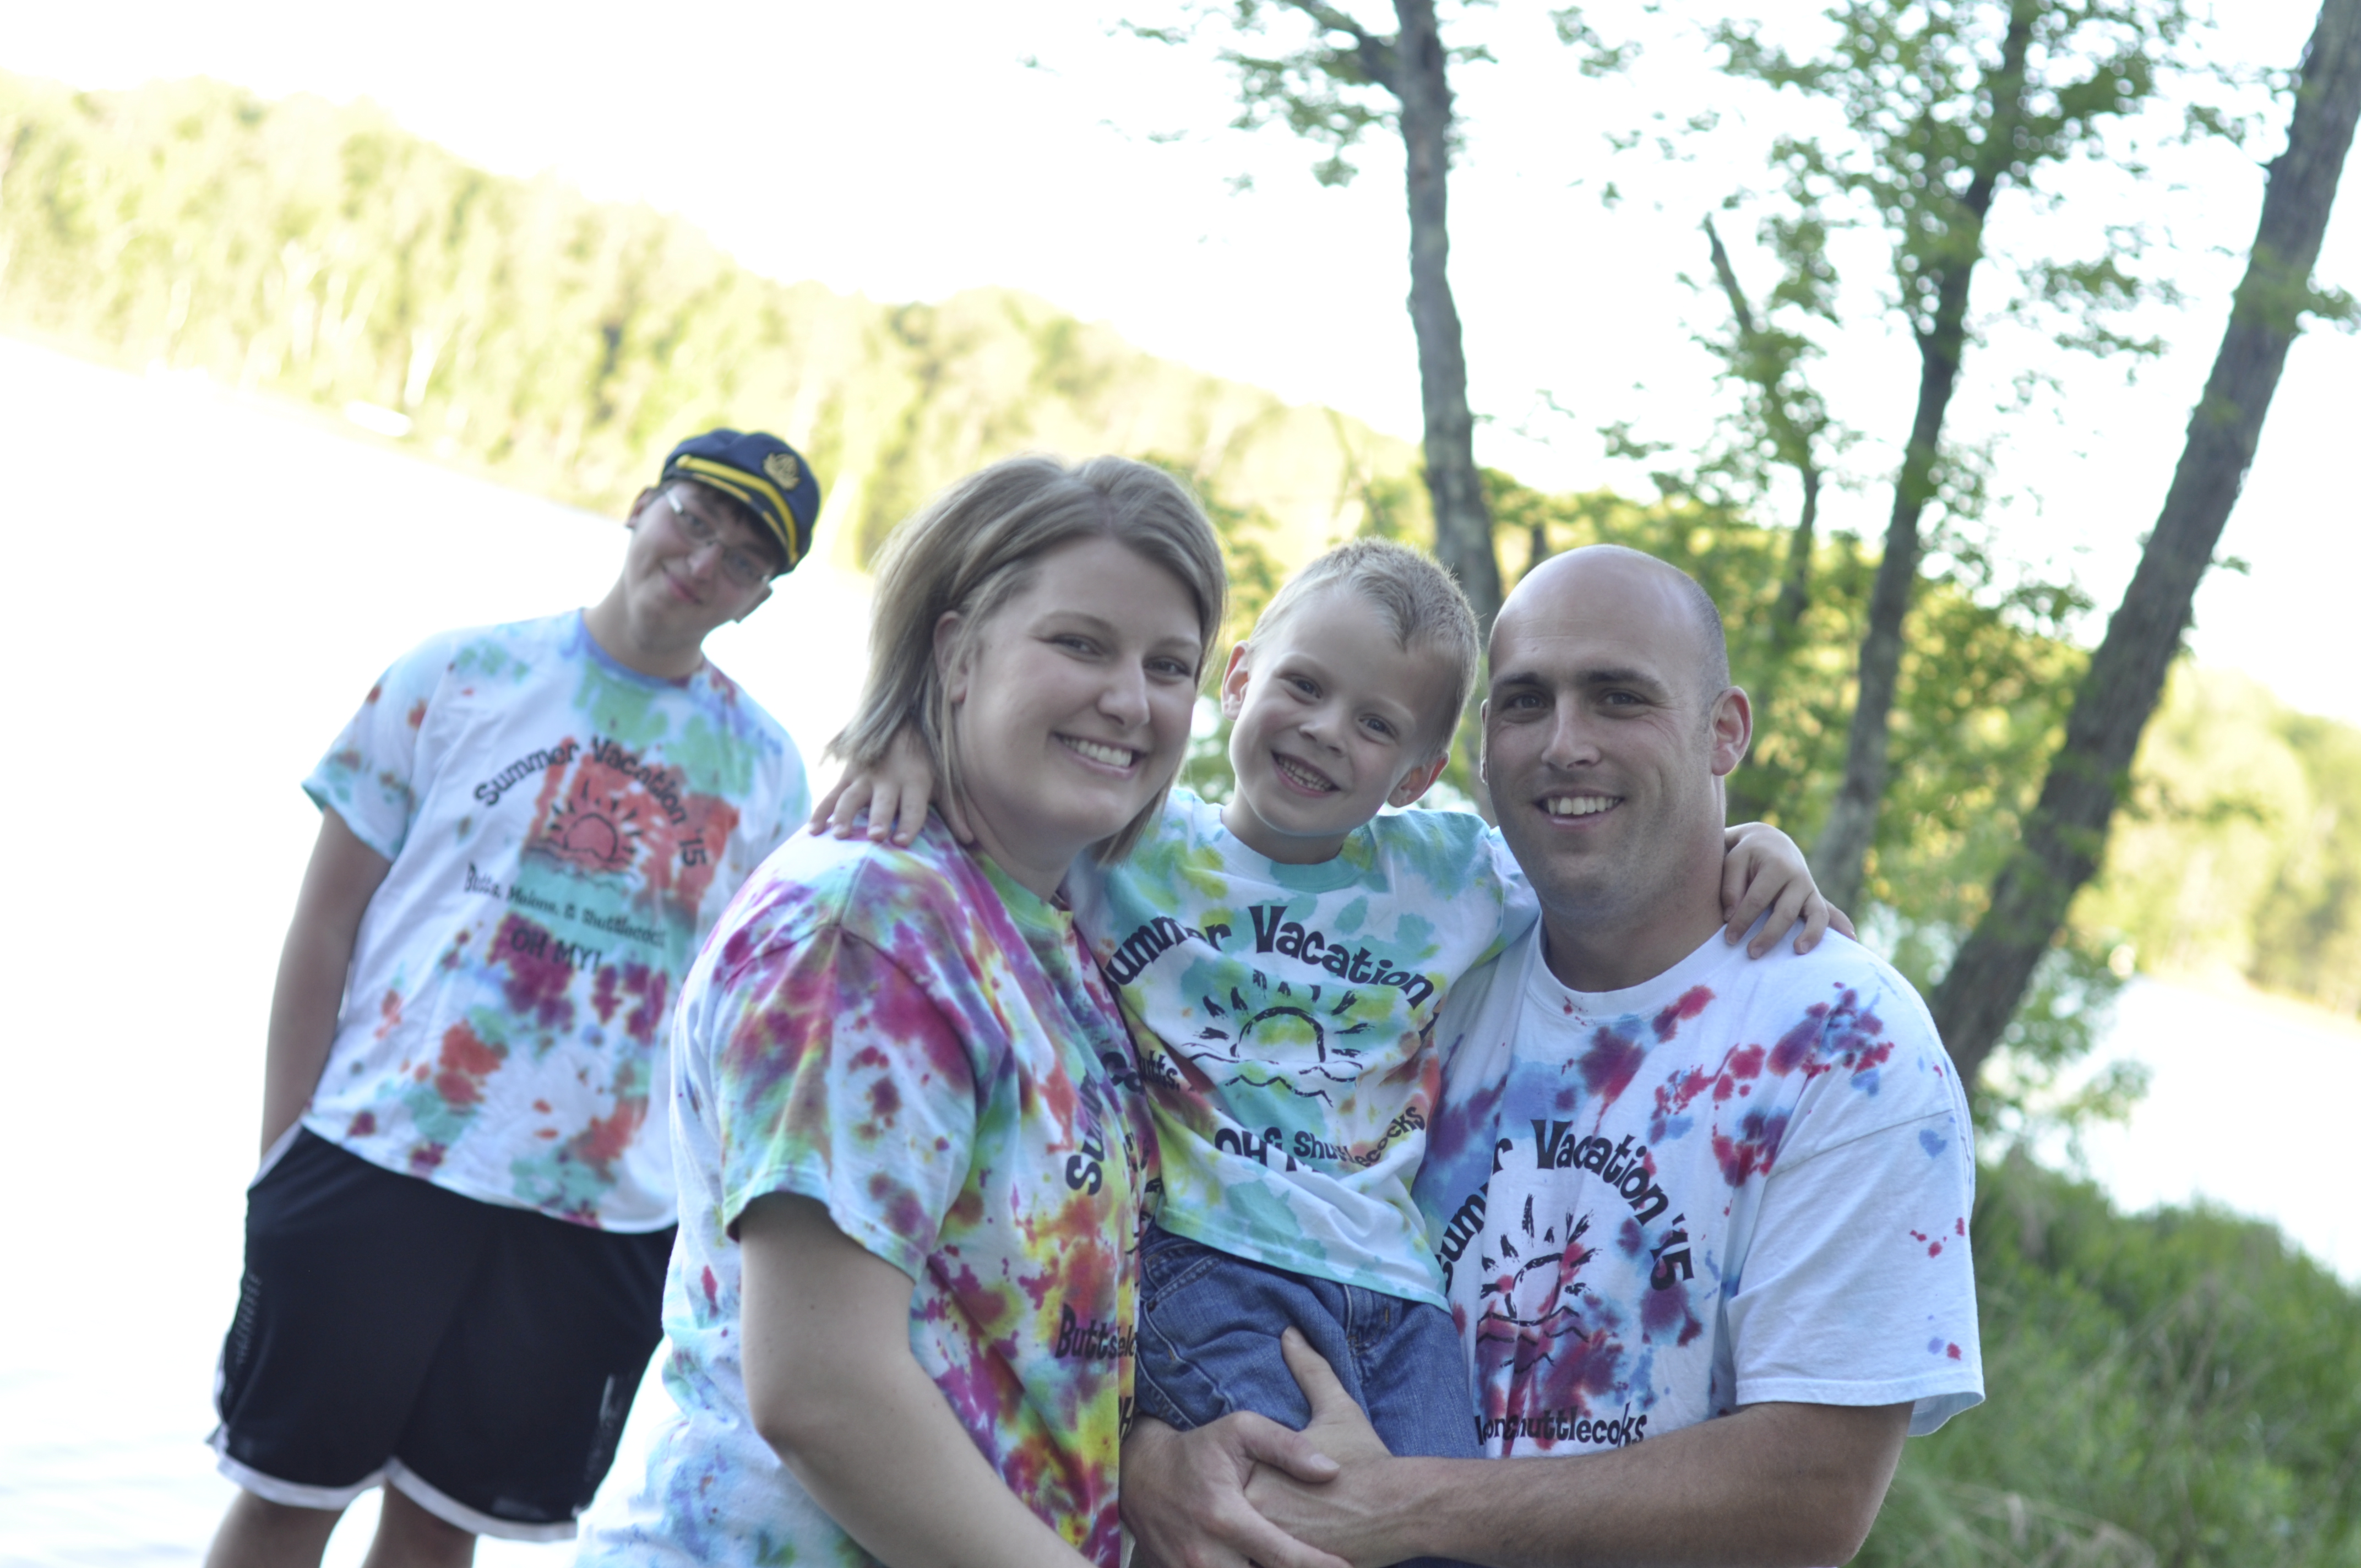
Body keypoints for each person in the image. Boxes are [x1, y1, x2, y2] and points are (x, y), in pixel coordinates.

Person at [817, 538, 1846, 1553]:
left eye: (1375, 724)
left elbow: (1619, 860)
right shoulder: (1129, 839)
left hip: (1397, 1295)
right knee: (1278, 1525)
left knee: (1446, 1536)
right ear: (1238, 679)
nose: (1323, 732)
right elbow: (1001, 779)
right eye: (1303, 686)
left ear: (1418, 774)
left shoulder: (1452, 877)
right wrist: (904, 744)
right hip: (1209, 1262)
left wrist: (1754, 845)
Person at [1122, 544, 1985, 1568]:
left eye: (1620, 698)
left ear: (1725, 730)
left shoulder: (1846, 1043)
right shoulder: (1436, 958)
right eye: (1527, 703)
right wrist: (1149, 1459)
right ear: (1483, 747)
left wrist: (1398, 1509)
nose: (1566, 744)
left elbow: (1813, 1497)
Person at [575, 454, 1230, 1568]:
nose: (1131, 699)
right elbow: (823, 1391)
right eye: (1080, 643)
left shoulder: (1041, 915)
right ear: (956, 652)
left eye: (1169, 665)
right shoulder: (866, 932)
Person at [205, 430, 823, 1568]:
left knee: (441, 1530)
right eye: (693, 518)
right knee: (284, 1499)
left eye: (743, 558)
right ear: (641, 505)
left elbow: (751, 1028)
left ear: (758, 600)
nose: (702, 560)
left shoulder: (769, 772)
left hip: (597, 1217)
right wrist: (280, 1154)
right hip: (378, 1155)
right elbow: (325, 921)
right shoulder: (460, 673)